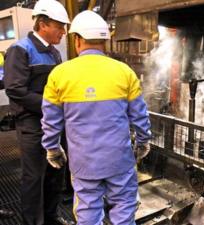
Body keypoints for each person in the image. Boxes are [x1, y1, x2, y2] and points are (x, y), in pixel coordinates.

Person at [41, 10, 152, 225]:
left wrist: (53, 148)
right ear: (105, 40)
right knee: (124, 206)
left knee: (87, 210)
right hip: (119, 159)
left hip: (83, 162)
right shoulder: (124, 71)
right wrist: (143, 141)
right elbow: (139, 115)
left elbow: (50, 119)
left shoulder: (59, 74)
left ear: (78, 40)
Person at [3, 1, 74, 225]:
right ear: (43, 24)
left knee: (55, 174)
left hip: (55, 124)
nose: (63, 32)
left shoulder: (55, 53)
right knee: (34, 178)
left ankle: (51, 217)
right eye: (59, 26)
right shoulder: (21, 49)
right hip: (32, 126)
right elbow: (15, 89)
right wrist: (52, 105)